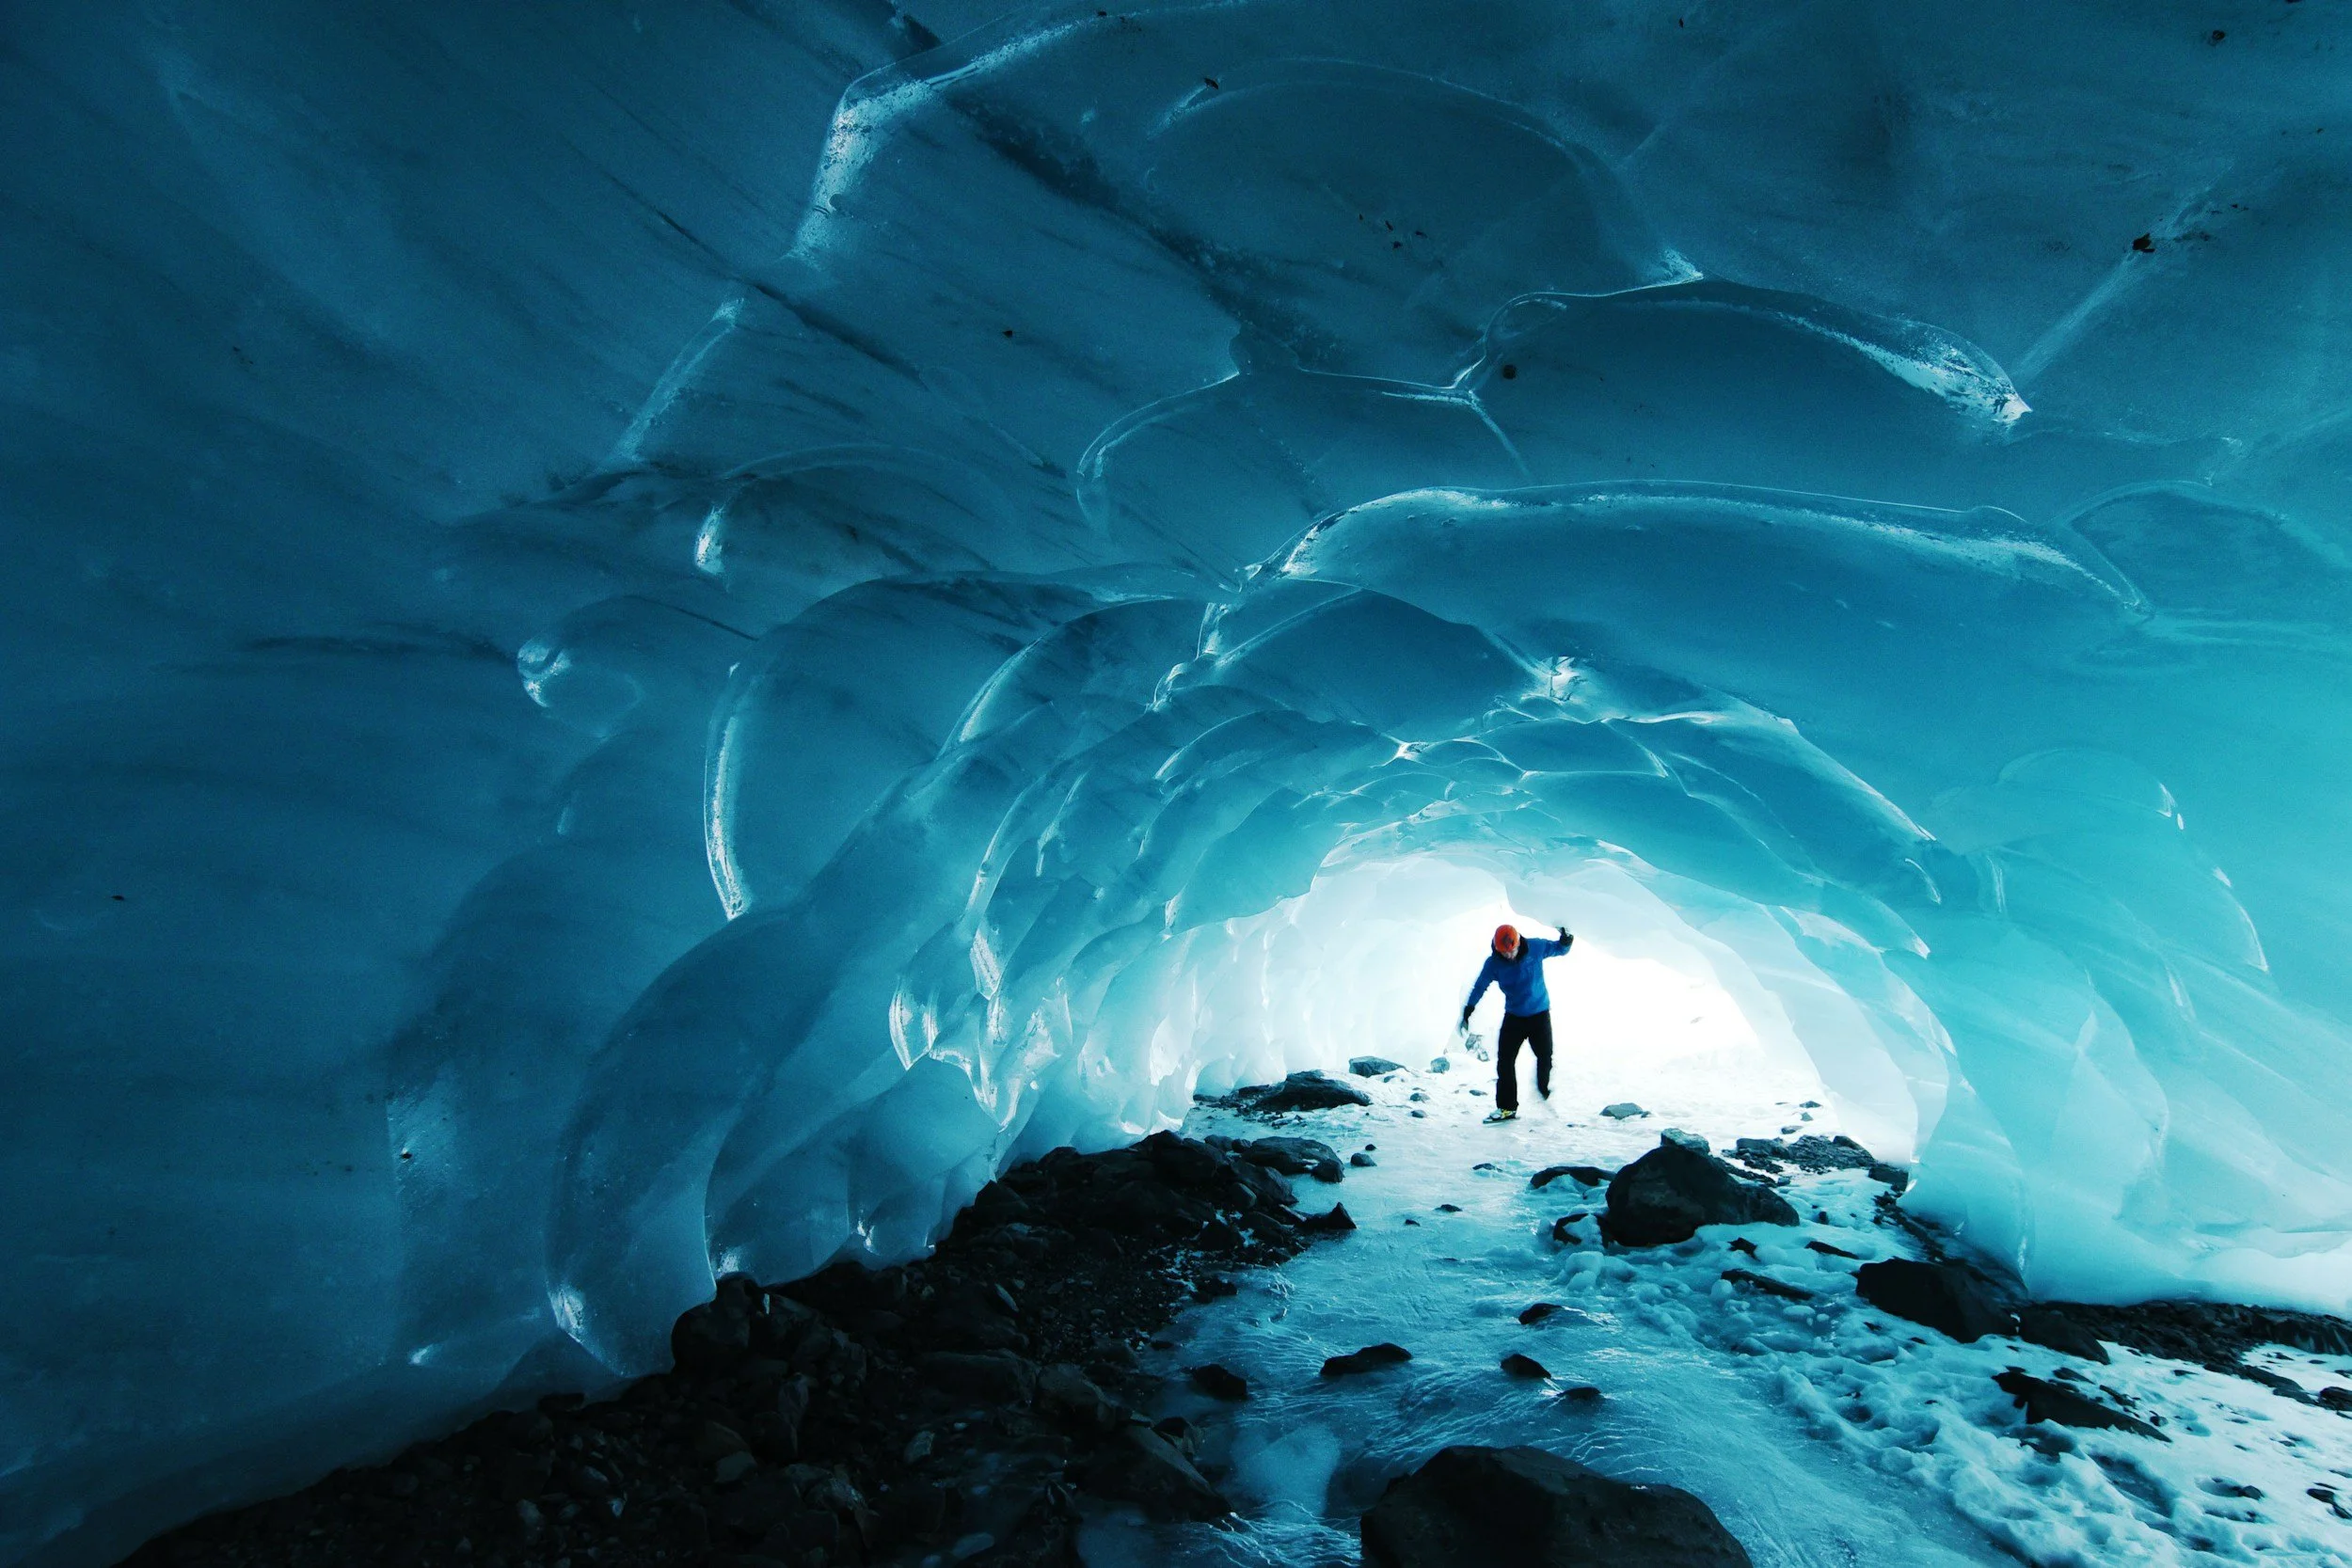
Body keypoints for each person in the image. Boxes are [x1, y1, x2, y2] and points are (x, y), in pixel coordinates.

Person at [1460, 923, 1573, 1123]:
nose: (1509, 956)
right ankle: (1506, 1108)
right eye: (1504, 953)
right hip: (1514, 1017)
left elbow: (1559, 949)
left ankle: (1544, 1089)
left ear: (1518, 942)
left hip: (1539, 1015)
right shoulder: (1493, 963)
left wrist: (1566, 941)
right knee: (1505, 1061)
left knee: (1545, 1056)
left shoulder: (1535, 947)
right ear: (1497, 948)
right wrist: (1470, 1008)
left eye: (1511, 951)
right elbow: (1480, 985)